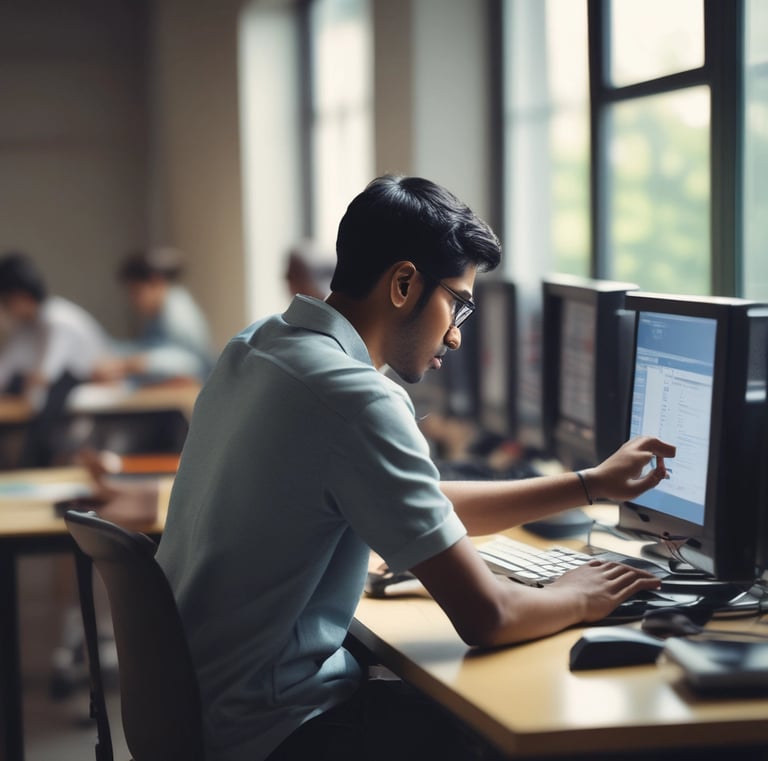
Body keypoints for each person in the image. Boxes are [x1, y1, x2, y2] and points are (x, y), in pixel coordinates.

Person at [156, 175, 675, 761]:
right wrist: (577, 594)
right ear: (404, 283)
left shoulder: (257, 347)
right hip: (277, 732)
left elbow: (419, 502)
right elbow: (490, 616)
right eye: (458, 302)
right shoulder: (356, 397)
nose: (455, 334)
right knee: (517, 731)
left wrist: (589, 485)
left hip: (208, 710)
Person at [0, 251, 112, 465]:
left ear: (19, 296)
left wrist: (26, 382)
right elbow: (5, 369)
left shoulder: (58, 319)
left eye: (5, 302)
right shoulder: (28, 327)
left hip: (82, 400)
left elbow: (44, 375)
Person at [92, 246, 214, 385]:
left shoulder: (178, 313)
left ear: (156, 282)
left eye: (136, 292)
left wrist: (132, 364)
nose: (133, 300)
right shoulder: (160, 312)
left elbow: (191, 365)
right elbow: (149, 347)